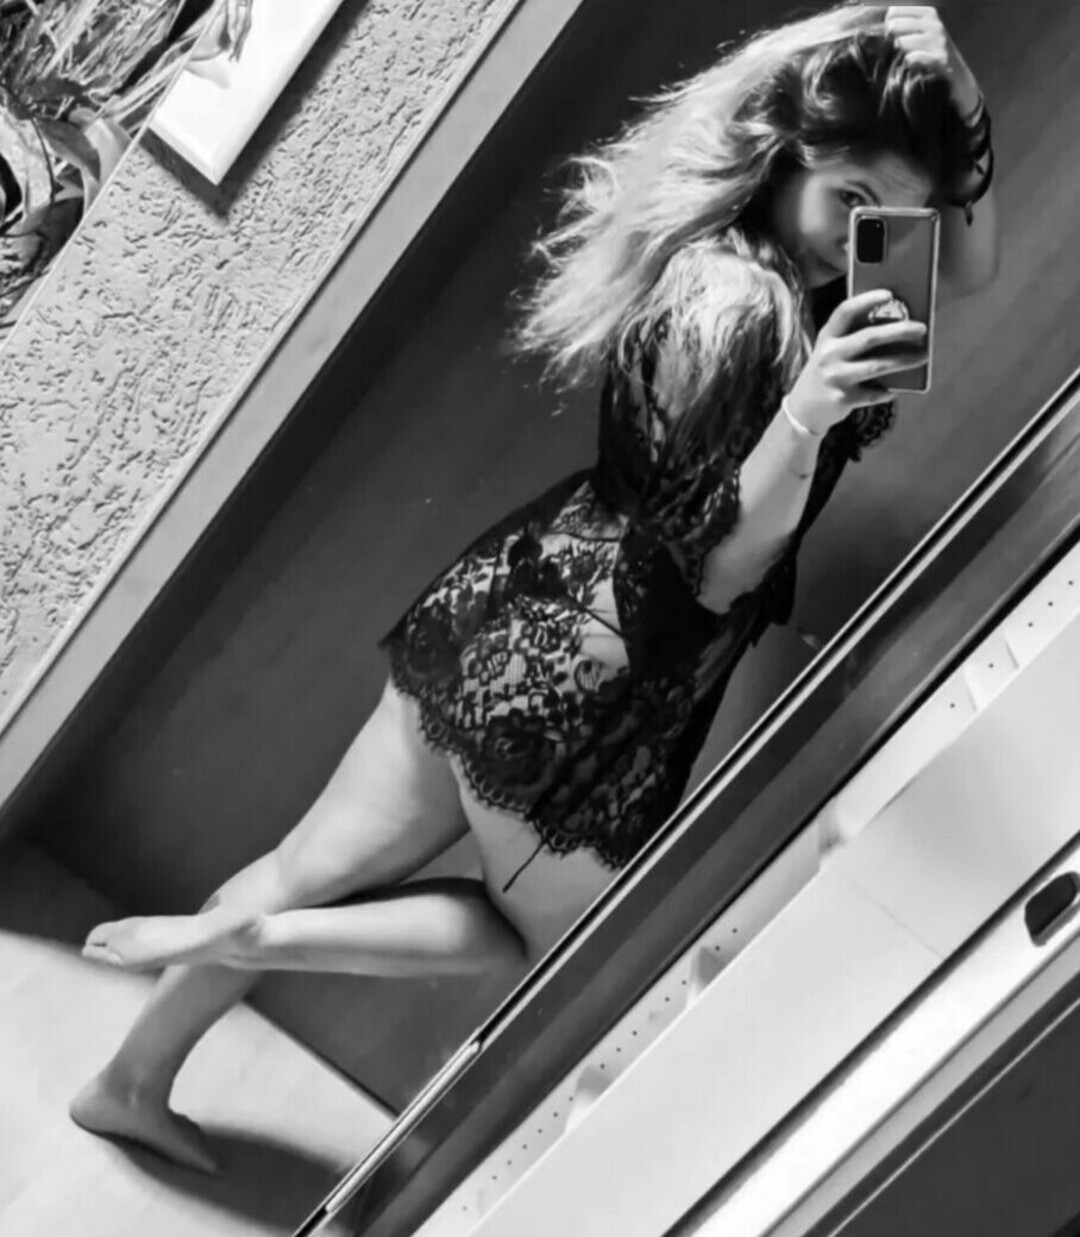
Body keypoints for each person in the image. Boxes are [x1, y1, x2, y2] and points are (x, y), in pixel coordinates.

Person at [70, 3, 1000, 1173]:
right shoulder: (740, 311)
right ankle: (265, 938)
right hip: (599, 690)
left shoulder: (760, 269)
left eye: (891, 216)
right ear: (786, 155)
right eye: (851, 200)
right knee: (526, 952)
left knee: (308, 858)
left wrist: (961, 100)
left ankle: (128, 1081)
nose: (865, 235)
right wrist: (808, 417)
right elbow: (715, 569)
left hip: (508, 613)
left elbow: (968, 257)